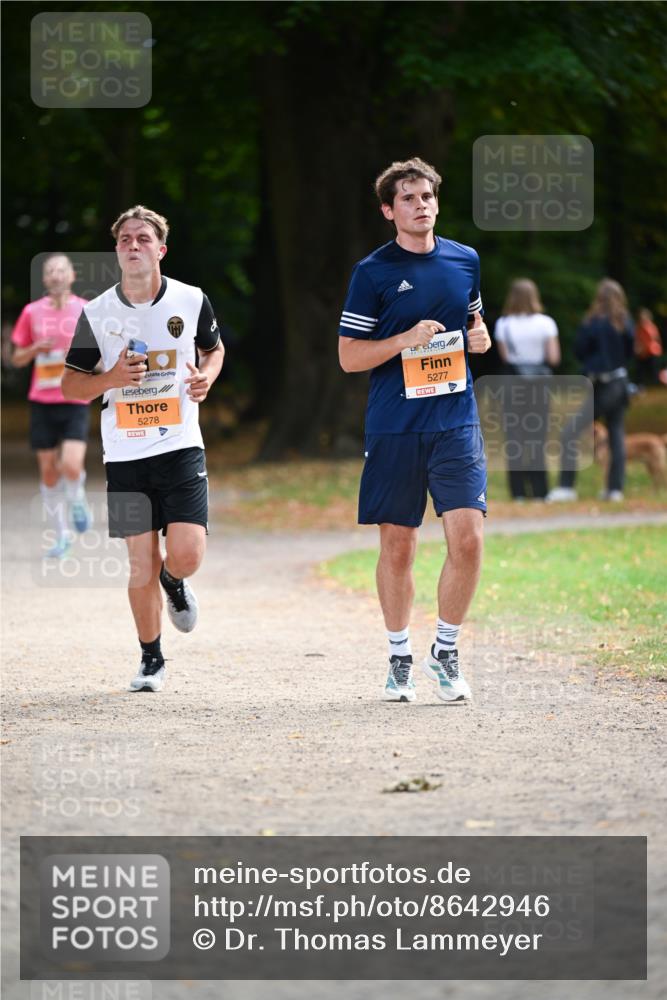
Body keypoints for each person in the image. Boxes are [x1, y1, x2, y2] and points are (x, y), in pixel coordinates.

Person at [338, 157, 491, 705]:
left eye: (426, 196)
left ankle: (445, 650)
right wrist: (403, 340)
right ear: (389, 210)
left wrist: (480, 340)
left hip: (456, 420)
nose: (420, 205)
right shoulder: (372, 271)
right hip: (396, 426)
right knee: (398, 547)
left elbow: (475, 324)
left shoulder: (464, 260)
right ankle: (399, 656)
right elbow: (349, 358)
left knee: (468, 539)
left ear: (436, 202)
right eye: (408, 198)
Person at [62, 206, 224, 693]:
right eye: (125, 239)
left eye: (143, 238)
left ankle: (175, 582)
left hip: (179, 445)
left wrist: (206, 379)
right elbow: (71, 386)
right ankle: (151, 659)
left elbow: (213, 350)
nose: (133, 245)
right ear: (117, 251)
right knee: (139, 563)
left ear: (160, 249)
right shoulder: (97, 314)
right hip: (125, 452)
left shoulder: (191, 300)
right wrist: (110, 378)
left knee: (187, 553)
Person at [11, 254, 91, 558]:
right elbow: (17, 358)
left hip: (74, 398)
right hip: (42, 401)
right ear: (45, 279)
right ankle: (62, 535)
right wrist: (34, 348)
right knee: (47, 470)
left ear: (71, 276)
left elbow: (100, 353)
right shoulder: (31, 312)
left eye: (61, 270)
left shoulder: (85, 309)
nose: (56, 275)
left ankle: (78, 496)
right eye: (50, 271)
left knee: (71, 464)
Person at [547, 278, 634, 503]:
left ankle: (566, 487)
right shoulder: (625, 321)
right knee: (616, 434)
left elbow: (579, 350)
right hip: (621, 383)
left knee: (570, 432)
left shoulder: (593, 322)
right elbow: (630, 351)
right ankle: (615, 489)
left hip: (602, 385)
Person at [494, 278, 560, 501]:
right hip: (539, 384)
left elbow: (505, 357)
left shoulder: (503, 324)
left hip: (513, 383)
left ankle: (518, 491)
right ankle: (540, 490)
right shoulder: (546, 323)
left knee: (514, 436)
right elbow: (553, 357)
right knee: (537, 436)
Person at [634, 307, 663, 387]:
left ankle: (657, 385)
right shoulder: (638, 327)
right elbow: (637, 340)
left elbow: (653, 340)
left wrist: (641, 348)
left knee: (654, 371)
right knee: (640, 371)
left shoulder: (650, 326)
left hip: (651, 352)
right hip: (643, 353)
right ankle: (641, 385)